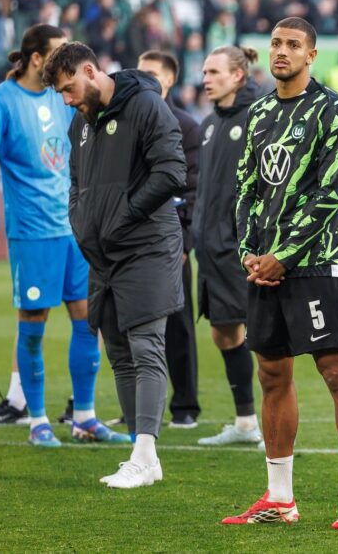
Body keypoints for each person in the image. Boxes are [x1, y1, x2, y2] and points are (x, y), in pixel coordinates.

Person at [223, 17, 338, 529]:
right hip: (263, 266)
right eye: (275, 44)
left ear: (311, 54)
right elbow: (245, 189)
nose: (281, 52)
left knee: (336, 371)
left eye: (292, 45)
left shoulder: (332, 110)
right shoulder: (260, 111)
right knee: (271, 374)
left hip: (314, 264)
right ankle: (280, 497)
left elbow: (329, 192)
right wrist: (250, 252)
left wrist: (283, 255)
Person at [0, 25, 125, 446]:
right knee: (34, 321)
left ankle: (85, 417)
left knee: (86, 319)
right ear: (38, 58)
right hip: (32, 231)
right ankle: (38, 420)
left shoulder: (64, 97)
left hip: (74, 229)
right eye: (61, 52)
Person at [43, 42, 187, 488]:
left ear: (91, 69)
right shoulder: (80, 124)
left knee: (146, 346)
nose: (67, 99)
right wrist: (82, 223)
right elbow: (75, 183)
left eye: (69, 89)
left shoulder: (146, 105)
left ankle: (144, 456)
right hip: (104, 253)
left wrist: (123, 218)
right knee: (118, 350)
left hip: (146, 245)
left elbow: (172, 173)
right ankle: (142, 454)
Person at [193, 45, 265, 447]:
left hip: (241, 248)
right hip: (210, 248)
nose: (206, 79)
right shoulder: (209, 124)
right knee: (223, 333)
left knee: (262, 337)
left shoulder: (258, 116)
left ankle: (273, 427)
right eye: (205, 72)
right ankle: (244, 424)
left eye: (214, 72)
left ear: (238, 75)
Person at [136, 50, 203, 429]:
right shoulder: (127, 119)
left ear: (169, 80)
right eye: (140, 72)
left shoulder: (186, 126)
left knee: (178, 323)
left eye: (152, 74)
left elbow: (192, 191)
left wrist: (185, 243)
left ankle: (185, 404)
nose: (145, 79)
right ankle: (139, 406)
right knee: (126, 323)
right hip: (132, 240)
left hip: (171, 242)